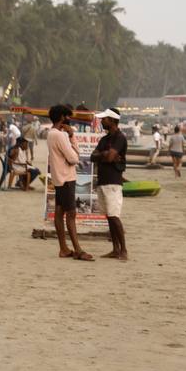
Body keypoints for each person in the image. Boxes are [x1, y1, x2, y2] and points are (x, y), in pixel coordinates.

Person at [46, 103, 93, 261]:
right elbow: (74, 158)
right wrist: (72, 136)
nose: (69, 119)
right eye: (67, 116)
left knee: (59, 212)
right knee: (71, 214)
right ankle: (78, 250)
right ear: (62, 117)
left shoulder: (51, 133)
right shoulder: (60, 135)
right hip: (66, 178)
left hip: (59, 178)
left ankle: (64, 249)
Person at [92, 108, 129, 260]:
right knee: (109, 216)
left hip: (113, 181)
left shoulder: (120, 138)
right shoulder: (104, 139)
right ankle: (115, 249)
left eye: (104, 119)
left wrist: (104, 155)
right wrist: (105, 154)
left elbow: (108, 157)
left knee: (114, 216)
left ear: (112, 120)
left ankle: (124, 250)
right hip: (103, 180)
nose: (101, 121)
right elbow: (93, 157)